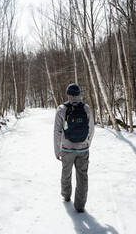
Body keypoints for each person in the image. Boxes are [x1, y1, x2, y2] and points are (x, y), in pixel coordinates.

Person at [54, 83, 94, 213]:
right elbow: (91, 129)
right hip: (83, 149)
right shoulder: (86, 108)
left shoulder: (61, 109)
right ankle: (80, 206)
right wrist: (87, 143)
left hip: (66, 148)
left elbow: (57, 131)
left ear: (68, 94)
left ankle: (66, 195)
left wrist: (57, 151)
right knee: (82, 176)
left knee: (66, 172)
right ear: (78, 95)